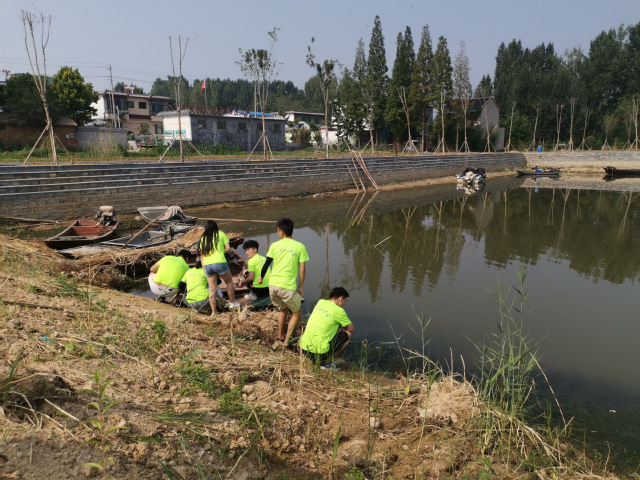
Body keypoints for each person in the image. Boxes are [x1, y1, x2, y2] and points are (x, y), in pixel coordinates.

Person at [258, 218, 309, 348]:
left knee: (283, 309)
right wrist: (300, 286)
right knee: (297, 314)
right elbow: (302, 270)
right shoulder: (300, 246)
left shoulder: (275, 245)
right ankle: (287, 342)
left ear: (281, 231)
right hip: (287, 286)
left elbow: (266, 263)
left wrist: (261, 277)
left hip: (273, 285)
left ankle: (280, 336)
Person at [299, 287, 354, 371]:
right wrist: (343, 327)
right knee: (348, 334)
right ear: (340, 299)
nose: (344, 304)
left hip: (304, 349)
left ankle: (315, 358)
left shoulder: (320, 302)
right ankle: (326, 362)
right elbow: (351, 329)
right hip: (318, 353)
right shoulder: (339, 311)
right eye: (345, 301)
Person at [198, 220, 239, 316]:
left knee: (212, 289)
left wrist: (204, 269)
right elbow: (228, 248)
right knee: (229, 282)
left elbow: (202, 256)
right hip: (219, 262)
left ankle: (214, 312)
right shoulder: (221, 234)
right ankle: (232, 303)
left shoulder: (203, 238)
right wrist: (221, 252)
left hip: (207, 264)